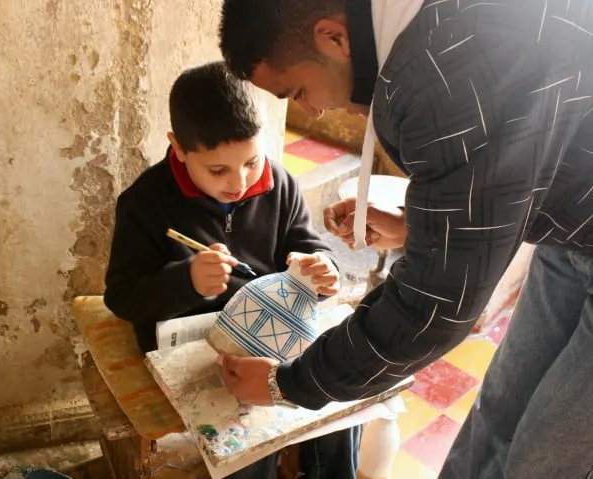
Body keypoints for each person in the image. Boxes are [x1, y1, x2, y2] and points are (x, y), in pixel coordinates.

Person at [216, 0, 593, 476]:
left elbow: (432, 309)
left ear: (334, 38)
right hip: (572, 237)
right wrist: (422, 222)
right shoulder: (425, 31)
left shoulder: (442, 73)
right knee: (497, 413)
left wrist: (288, 384)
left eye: (298, 90)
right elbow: (509, 156)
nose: (311, 109)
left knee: (542, 459)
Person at [103, 61, 361, 479]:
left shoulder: (279, 182)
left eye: (251, 161)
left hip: (272, 329)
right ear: (179, 148)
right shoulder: (145, 202)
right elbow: (122, 296)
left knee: (336, 394)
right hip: (194, 340)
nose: (239, 181)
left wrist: (321, 267)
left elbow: (304, 244)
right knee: (244, 439)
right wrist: (186, 280)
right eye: (218, 170)